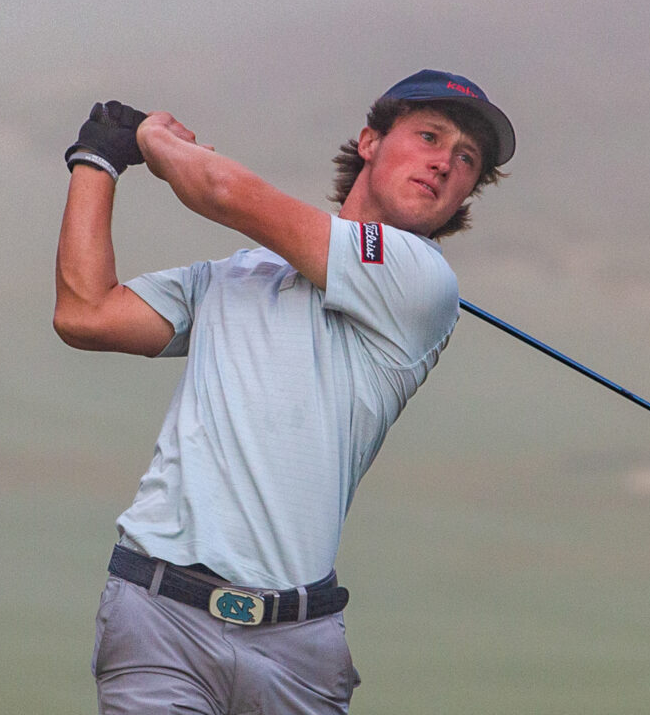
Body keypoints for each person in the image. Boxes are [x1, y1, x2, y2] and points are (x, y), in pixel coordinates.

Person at [53, 69, 515, 714]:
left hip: (297, 649)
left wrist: (154, 141)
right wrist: (96, 161)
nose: (444, 163)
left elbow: (221, 190)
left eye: (466, 159)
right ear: (370, 143)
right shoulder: (236, 277)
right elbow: (85, 313)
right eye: (429, 137)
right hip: (161, 620)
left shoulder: (421, 282)